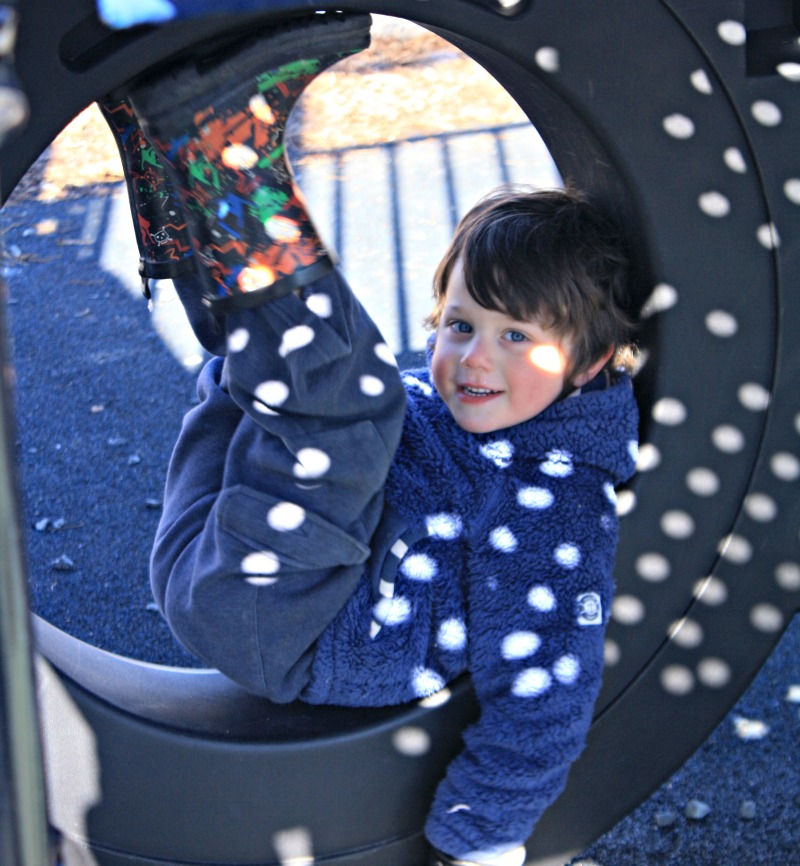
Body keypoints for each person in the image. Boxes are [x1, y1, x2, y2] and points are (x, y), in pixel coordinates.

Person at [121, 12, 639, 865]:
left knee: (347, 399)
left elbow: (546, 691)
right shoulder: (482, 417)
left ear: (586, 366)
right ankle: (168, 150)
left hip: (288, 620)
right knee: (271, 361)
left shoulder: (556, 502)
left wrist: (482, 841)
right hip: (221, 549)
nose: (475, 358)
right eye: (462, 324)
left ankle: (224, 142)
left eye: (519, 337)